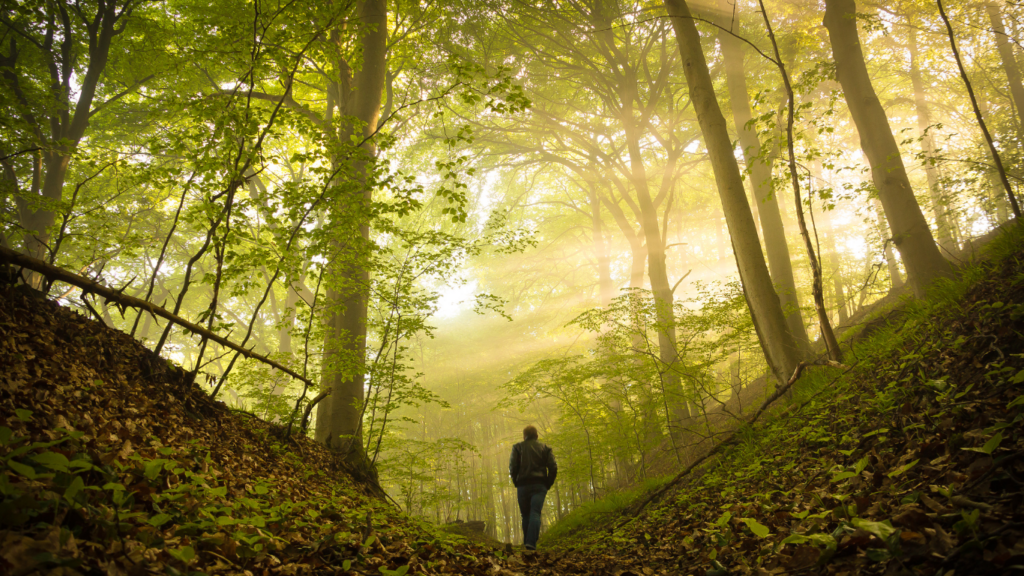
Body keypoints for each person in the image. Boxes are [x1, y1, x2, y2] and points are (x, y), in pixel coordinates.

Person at [508, 425, 557, 550]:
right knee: (535, 513)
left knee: (525, 515)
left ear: (524, 436)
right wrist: (547, 484)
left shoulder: (517, 447)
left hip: (523, 485)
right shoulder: (545, 448)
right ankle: (530, 544)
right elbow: (553, 467)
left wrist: (516, 482)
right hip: (539, 485)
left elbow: (512, 467)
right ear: (537, 436)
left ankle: (527, 544)